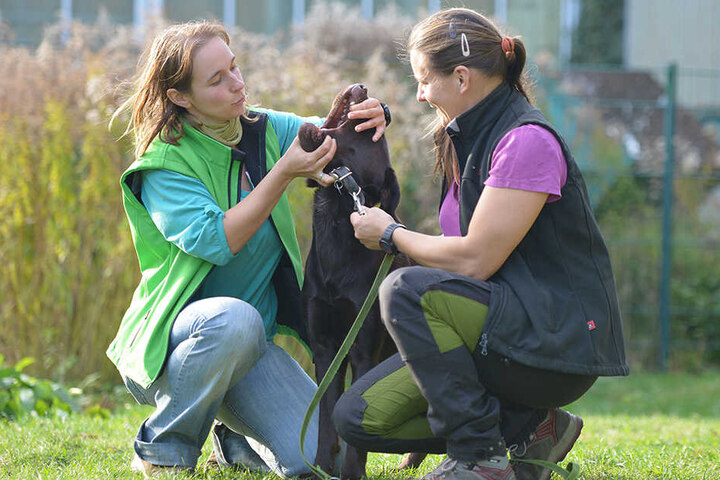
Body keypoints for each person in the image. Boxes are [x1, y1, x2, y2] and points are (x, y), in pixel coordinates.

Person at [332, 8, 628, 480]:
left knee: (405, 289)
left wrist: (390, 234)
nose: (419, 93)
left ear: (463, 77)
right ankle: (531, 427)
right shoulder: (468, 134)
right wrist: (380, 116)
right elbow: (426, 118)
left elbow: (474, 259)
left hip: (554, 341)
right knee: (356, 417)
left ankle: (479, 457)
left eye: (424, 80)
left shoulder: (526, 141)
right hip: (500, 329)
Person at [106, 21, 388, 477]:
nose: (237, 83)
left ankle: (233, 439)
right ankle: (163, 449)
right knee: (235, 318)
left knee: (324, 461)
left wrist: (375, 114)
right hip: (178, 344)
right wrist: (282, 174)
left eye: (234, 68)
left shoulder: (260, 128)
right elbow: (219, 240)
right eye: (216, 80)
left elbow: (329, 134)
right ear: (180, 97)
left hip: (250, 348)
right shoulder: (163, 164)